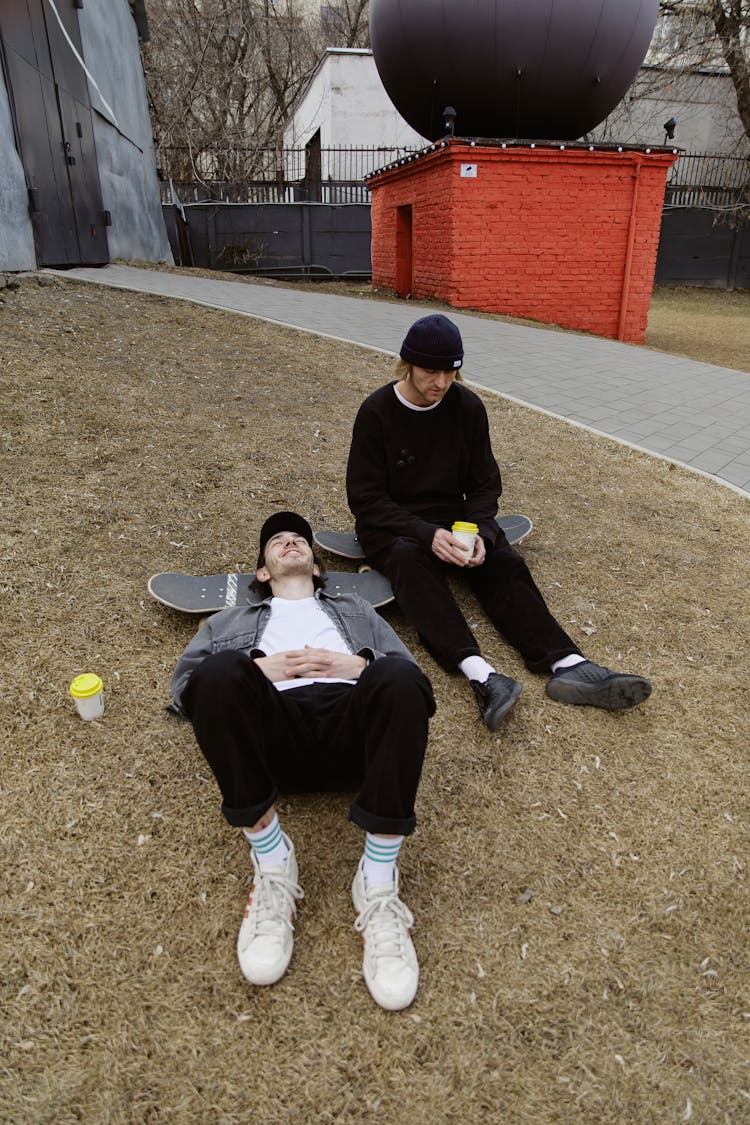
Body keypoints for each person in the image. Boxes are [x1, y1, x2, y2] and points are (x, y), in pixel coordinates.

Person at [170, 511, 435, 1011]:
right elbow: (187, 690)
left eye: (300, 540)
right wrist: (257, 670)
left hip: (354, 737)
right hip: (273, 739)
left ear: (316, 566)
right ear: (262, 573)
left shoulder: (358, 610)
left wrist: (357, 665)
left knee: (398, 680)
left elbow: (413, 679)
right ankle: (272, 860)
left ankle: (376, 882)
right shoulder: (226, 622)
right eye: (278, 541)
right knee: (221, 670)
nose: (291, 542)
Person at [346, 313, 652, 732]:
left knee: (503, 562)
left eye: (450, 371)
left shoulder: (467, 407)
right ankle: (483, 676)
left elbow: (485, 483)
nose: (441, 382)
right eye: (430, 370)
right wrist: (426, 534)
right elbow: (366, 500)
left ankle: (569, 664)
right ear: (407, 364)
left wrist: (481, 533)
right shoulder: (377, 411)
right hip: (394, 525)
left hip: (454, 520)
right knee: (408, 562)